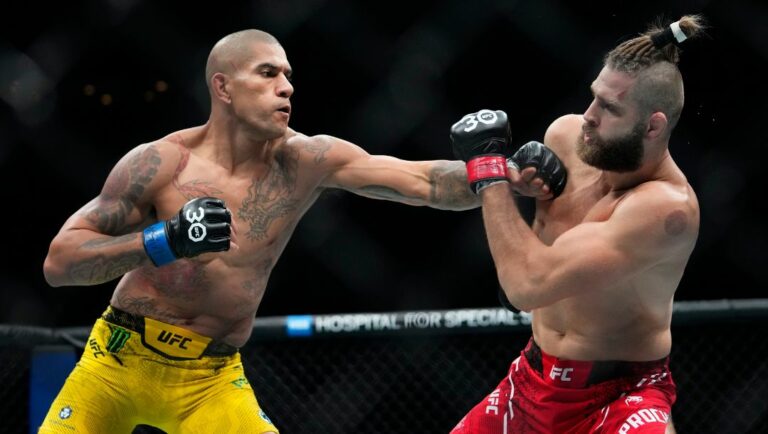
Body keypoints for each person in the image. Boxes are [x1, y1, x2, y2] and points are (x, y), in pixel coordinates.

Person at [39, 29, 563, 433]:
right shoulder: (159, 163)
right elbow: (60, 264)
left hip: (209, 379)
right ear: (223, 87)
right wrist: (165, 240)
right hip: (116, 359)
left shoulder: (306, 160)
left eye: (287, 75)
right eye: (267, 73)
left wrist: (499, 170)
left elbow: (422, 181)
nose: (286, 87)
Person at [449, 15, 704, 434]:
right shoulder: (568, 139)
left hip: (620, 397)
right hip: (530, 380)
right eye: (594, 98)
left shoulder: (667, 209)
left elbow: (525, 284)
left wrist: (488, 172)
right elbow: (525, 279)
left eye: (609, 108)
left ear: (653, 126)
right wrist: (524, 196)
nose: (588, 116)